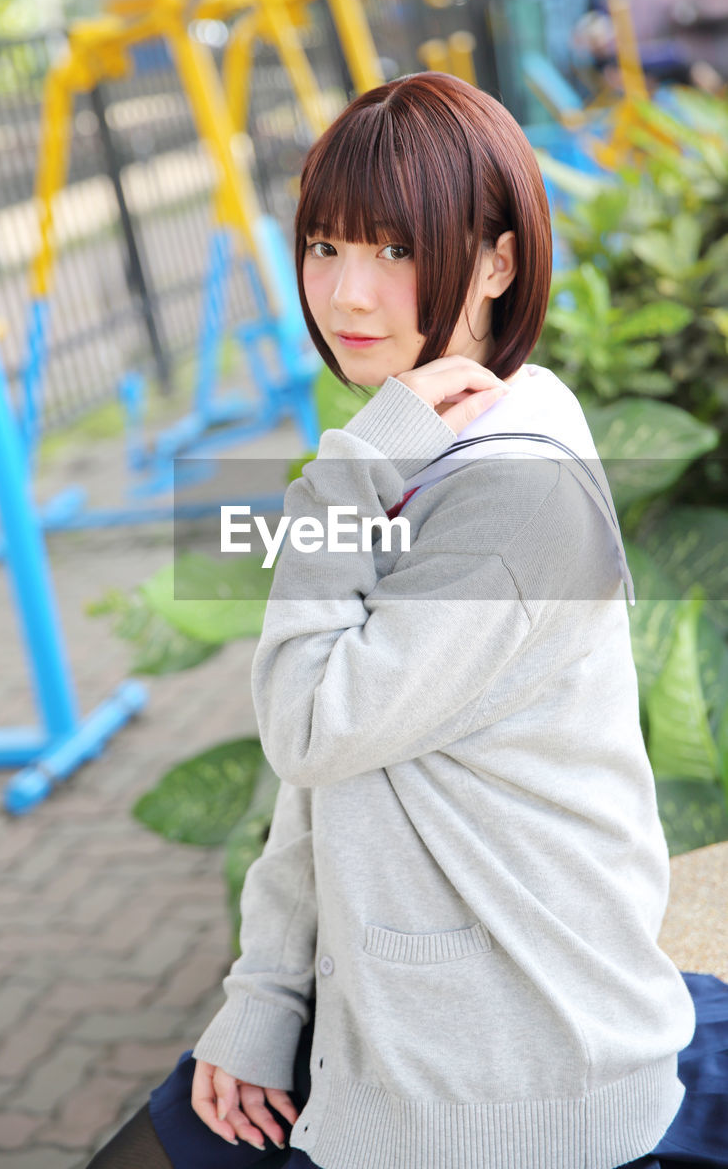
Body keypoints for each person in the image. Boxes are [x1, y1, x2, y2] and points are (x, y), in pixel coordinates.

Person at [86, 72, 728, 1169]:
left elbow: (306, 722)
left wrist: (343, 471)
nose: (348, 295)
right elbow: (324, 778)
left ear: (496, 259)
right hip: (387, 1016)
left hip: (506, 1071)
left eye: (394, 249)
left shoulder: (507, 486)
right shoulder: (425, 437)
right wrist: (262, 995)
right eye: (325, 247)